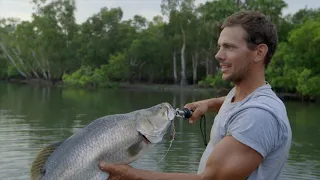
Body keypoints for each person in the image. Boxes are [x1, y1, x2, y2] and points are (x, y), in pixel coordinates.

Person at [98, 10, 292, 180]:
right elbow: (239, 105)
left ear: (259, 53)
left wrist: (134, 176)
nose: (218, 55)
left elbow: (211, 179)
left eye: (229, 47)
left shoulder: (259, 116)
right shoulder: (243, 96)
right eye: (219, 46)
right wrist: (209, 104)